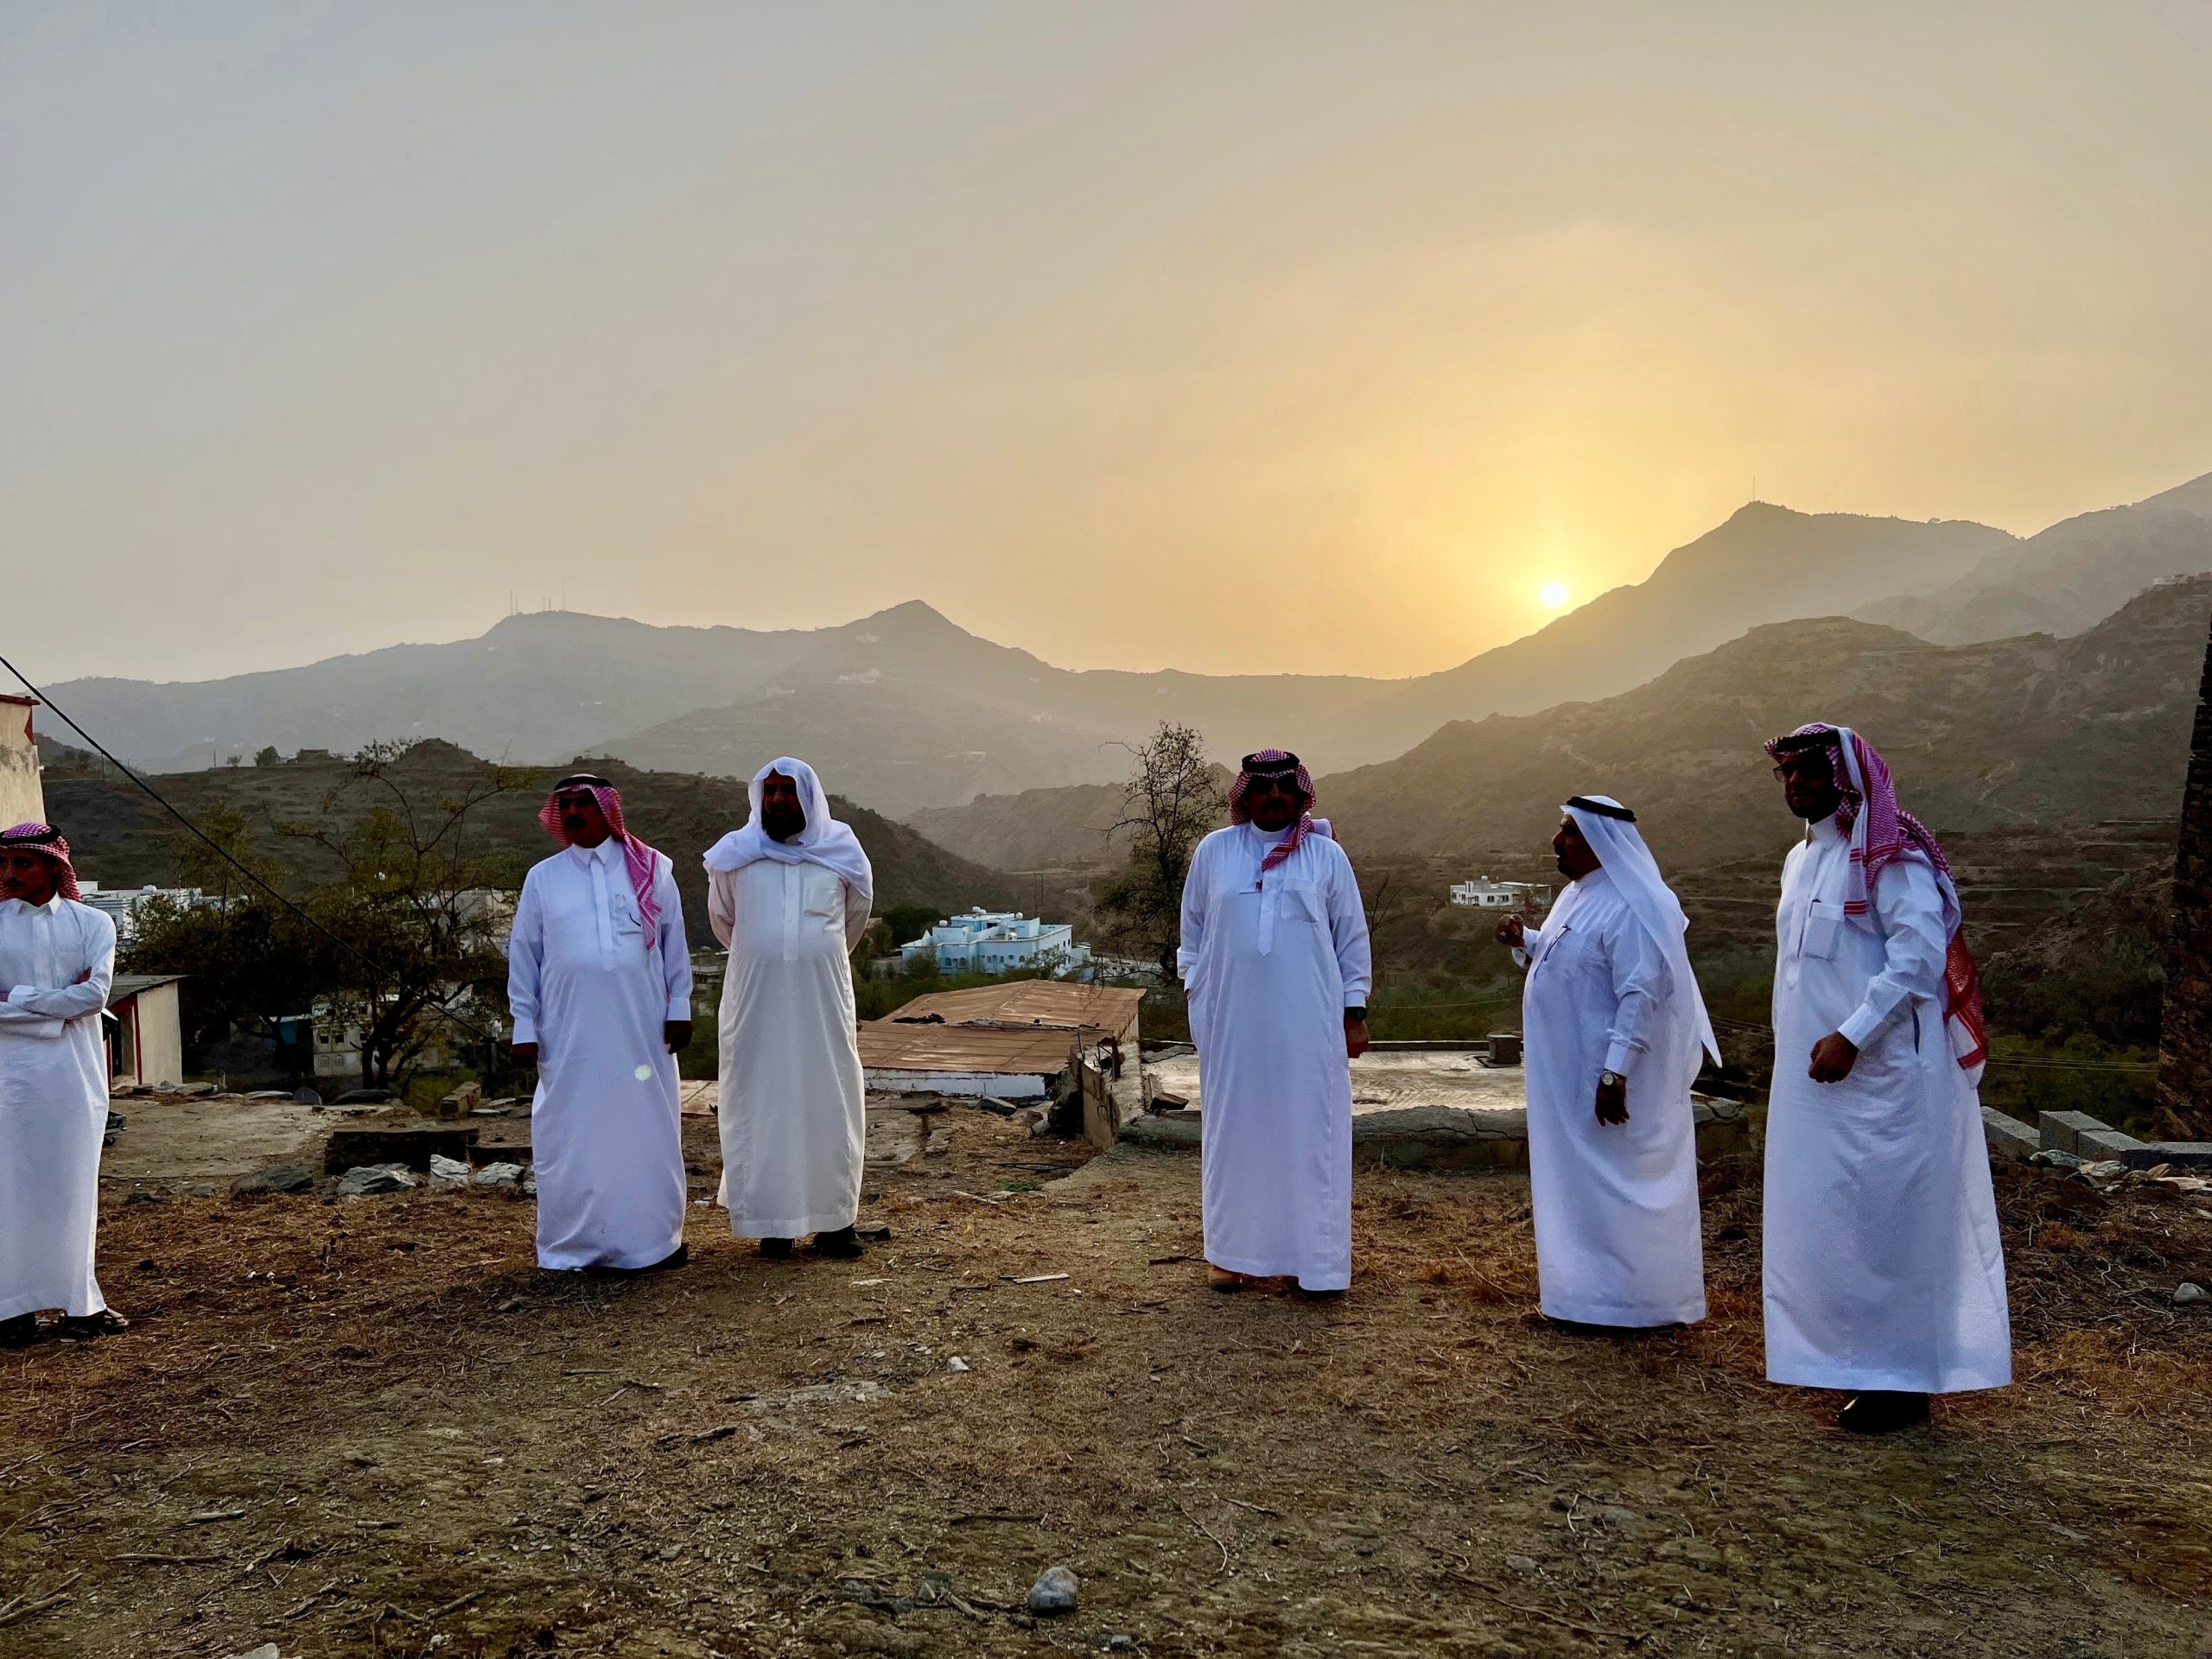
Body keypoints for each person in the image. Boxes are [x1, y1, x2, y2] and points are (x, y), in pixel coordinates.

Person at [1763, 724, 2010, 1433]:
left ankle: (1901, 1384)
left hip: (1885, 1081)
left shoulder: (1892, 854)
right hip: (1814, 1085)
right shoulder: (1800, 860)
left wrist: (1854, 1034)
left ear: (1846, 775)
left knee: (1887, 1224)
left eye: (1811, 772)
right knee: (1833, 1221)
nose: (1797, 785)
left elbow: (1917, 957)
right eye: (1787, 775)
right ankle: (1851, 1364)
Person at [1499, 797, 1718, 1331]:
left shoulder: (1634, 905)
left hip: (1609, 1078)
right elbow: (1567, 961)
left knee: (1623, 1183)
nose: (1557, 841)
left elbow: (1640, 994)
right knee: (1580, 1184)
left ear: (1602, 841)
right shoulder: (1578, 896)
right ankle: (1583, 1297)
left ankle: (1639, 1304)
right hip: (1570, 1076)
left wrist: (1615, 1073)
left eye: (1569, 832)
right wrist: (1525, 941)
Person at [1178, 749, 1372, 1296]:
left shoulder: (1327, 857)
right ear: (1245, 795)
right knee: (1233, 1134)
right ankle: (1229, 1256)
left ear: (1300, 794)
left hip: (1308, 1025)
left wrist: (1353, 1013)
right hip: (1231, 1023)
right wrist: (1196, 989)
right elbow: (1191, 934)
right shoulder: (1214, 852)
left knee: (1310, 1132)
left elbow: (1352, 941)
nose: (1273, 797)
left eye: (1284, 789)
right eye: (1261, 789)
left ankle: (1316, 1264)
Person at [507, 774, 693, 1274]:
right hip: (568, 1034)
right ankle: (574, 1247)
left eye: (582, 804)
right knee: (571, 1133)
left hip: (641, 1029)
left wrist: (681, 1008)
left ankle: (651, 1241)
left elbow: (674, 942)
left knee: (646, 1128)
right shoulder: (543, 878)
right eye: (563, 805)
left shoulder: (652, 869)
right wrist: (523, 1024)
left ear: (607, 810)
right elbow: (524, 954)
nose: (571, 813)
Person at [702, 758, 873, 1260]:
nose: (778, 799)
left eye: (788, 790)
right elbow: (724, 922)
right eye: (770, 790)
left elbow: (854, 921)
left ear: (809, 796)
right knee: (761, 1100)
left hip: (823, 1000)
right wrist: (774, 953)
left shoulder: (841, 851)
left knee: (830, 1098)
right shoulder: (735, 857)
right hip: (756, 1001)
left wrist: (806, 954)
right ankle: (772, 1224)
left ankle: (835, 1223)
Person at [0, 823, 123, 1346]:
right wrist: (52, 1006)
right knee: (10, 1192)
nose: (10, 873)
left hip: (75, 1078)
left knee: (71, 1190)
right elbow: (71, 1002)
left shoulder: (93, 924)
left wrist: (14, 1001)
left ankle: (81, 1307)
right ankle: (9, 1311)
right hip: (8, 1079)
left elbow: (94, 997)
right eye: (5, 864)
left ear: (54, 865)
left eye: (22, 863)